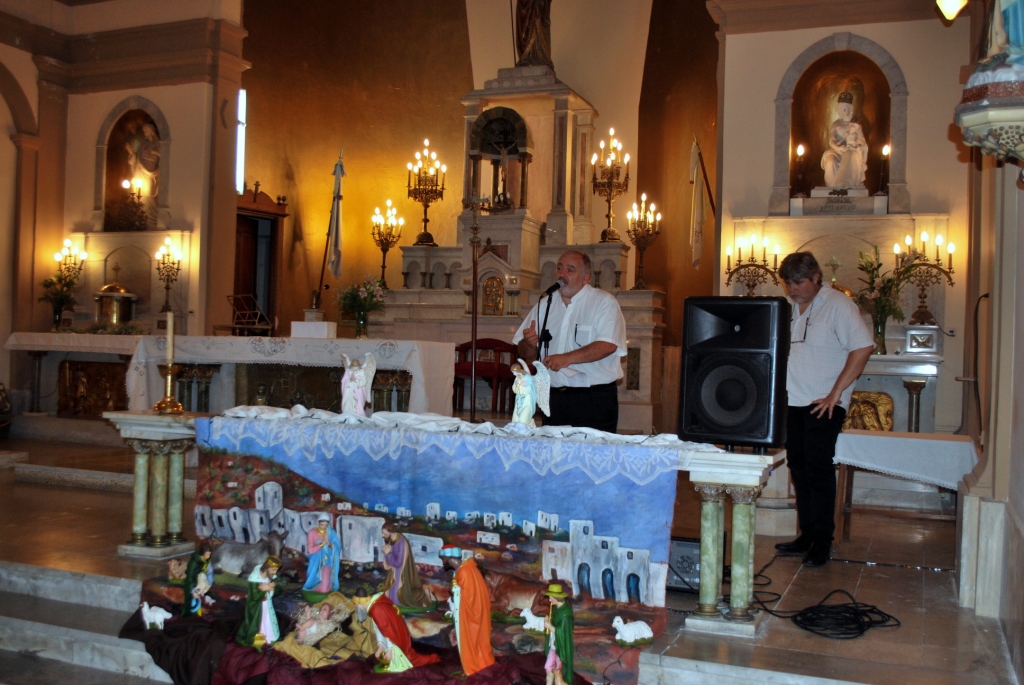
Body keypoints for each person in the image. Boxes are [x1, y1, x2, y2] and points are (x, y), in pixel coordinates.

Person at [775, 252, 874, 567]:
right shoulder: (788, 307)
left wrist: (835, 393)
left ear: (816, 277)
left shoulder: (838, 305)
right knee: (798, 468)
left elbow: (863, 347)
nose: (793, 289)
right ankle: (807, 534)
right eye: (788, 283)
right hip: (792, 401)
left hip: (824, 403)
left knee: (818, 469)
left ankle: (822, 541)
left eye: (799, 282)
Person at [513, 250, 627, 433]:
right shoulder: (544, 304)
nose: (562, 274)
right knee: (554, 452)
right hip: (554, 399)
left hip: (593, 400)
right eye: (559, 268)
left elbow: (607, 345)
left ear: (585, 277)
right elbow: (524, 352)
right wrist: (528, 343)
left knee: (593, 452)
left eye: (570, 270)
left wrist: (566, 358)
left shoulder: (604, 303)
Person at [353, 588, 441, 672]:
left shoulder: (376, 609)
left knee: (402, 661)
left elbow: (388, 632)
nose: (356, 607)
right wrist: (381, 645)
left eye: (356, 605)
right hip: (392, 638)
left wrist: (390, 650)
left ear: (360, 603)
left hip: (396, 639)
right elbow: (380, 630)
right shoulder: (374, 607)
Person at [440, 545, 495, 676]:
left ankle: (472, 669)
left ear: (448, 557)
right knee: (474, 642)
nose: (442, 561)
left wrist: (454, 590)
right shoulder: (464, 569)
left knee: (471, 642)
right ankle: (472, 667)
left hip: (471, 615)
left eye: (443, 558)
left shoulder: (465, 571)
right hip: (470, 613)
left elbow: (468, 597)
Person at [820, 91, 867, 189]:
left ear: (850, 108)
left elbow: (862, 141)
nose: (843, 110)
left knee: (852, 155)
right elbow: (832, 140)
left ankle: (846, 183)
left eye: (845, 107)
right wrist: (837, 148)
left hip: (851, 150)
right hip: (837, 151)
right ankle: (832, 187)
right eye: (841, 108)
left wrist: (855, 143)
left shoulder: (856, 125)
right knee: (830, 160)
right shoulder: (836, 124)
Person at [381, 524, 432, 608]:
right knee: (389, 596)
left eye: (385, 534)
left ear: (391, 532)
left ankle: (423, 594)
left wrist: (388, 553)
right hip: (394, 573)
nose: (382, 536)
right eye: (382, 533)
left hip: (401, 573)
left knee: (401, 599)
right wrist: (387, 553)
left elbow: (398, 563)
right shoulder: (391, 539)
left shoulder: (401, 542)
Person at [236, 555, 283, 647]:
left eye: (276, 570)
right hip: (256, 607)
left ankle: (267, 638)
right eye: (273, 569)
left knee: (267, 622)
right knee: (257, 623)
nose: (275, 572)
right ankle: (255, 640)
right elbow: (255, 596)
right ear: (267, 567)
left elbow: (279, 589)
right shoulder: (255, 578)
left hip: (267, 605)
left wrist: (271, 588)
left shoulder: (271, 577)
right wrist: (265, 589)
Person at [542, 583, 574, 685]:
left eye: (551, 598)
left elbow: (563, 632)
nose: (549, 600)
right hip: (554, 645)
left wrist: (550, 627)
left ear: (557, 598)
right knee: (548, 669)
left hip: (561, 648)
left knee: (558, 673)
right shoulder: (555, 609)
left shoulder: (566, 614)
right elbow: (555, 625)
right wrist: (549, 622)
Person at [303, 513, 342, 593]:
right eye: (322, 524)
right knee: (313, 582)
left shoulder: (331, 532)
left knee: (324, 589)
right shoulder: (312, 533)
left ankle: (327, 587)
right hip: (316, 562)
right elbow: (310, 550)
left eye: (326, 525)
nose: (324, 527)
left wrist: (329, 543)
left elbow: (337, 546)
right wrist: (322, 544)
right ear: (318, 523)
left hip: (327, 562)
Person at [181, 543, 214, 617]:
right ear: (203, 553)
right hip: (192, 583)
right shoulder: (194, 562)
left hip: (202, 582)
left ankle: (199, 615)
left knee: (200, 599)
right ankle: (188, 616)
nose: (208, 556)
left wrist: (209, 584)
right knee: (191, 601)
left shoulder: (207, 561)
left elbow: (209, 572)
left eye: (209, 554)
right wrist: (193, 590)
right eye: (207, 554)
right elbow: (190, 575)